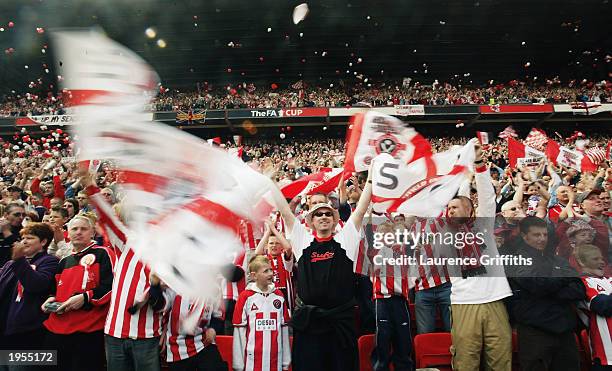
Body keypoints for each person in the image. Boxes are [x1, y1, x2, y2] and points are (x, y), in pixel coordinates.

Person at [272, 165, 371, 371]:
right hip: (310, 325)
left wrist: (371, 178)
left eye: (328, 213)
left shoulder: (345, 240)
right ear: (312, 221)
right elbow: (284, 209)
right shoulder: (303, 240)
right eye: (319, 214)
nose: (324, 216)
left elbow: (361, 209)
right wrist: (270, 182)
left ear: (335, 221)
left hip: (340, 324)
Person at [445, 142, 513, 371]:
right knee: (466, 361)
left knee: (500, 360)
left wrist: (478, 164)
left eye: (455, 207)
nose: (450, 211)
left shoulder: (483, 226)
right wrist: (461, 178)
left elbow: (486, 197)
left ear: (470, 210)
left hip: (495, 298)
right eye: (449, 208)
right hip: (464, 302)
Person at [507, 216, 586, 371]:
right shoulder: (517, 261)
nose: (542, 239)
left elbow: (579, 289)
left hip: (565, 333)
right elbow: (537, 285)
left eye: (545, 234)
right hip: (535, 333)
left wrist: (550, 287)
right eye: (537, 235)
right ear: (525, 236)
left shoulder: (559, 261)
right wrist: (563, 280)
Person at [42, 215, 114, 371]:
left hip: (88, 331)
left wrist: (85, 297)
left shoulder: (104, 253)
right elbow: (55, 290)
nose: (79, 232)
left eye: (84, 229)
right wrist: (50, 300)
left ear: (92, 233)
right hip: (55, 330)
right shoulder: (63, 261)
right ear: (68, 233)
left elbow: (111, 287)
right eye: (74, 229)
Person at [0, 223, 58, 364]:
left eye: (30, 238)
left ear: (43, 242)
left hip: (29, 334)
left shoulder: (50, 261)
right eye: (23, 238)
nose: (24, 241)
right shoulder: (10, 264)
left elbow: (36, 285)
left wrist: (19, 260)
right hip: (5, 331)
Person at [232, 255, 291, 371]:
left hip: (275, 359)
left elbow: (284, 330)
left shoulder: (279, 296)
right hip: (252, 360)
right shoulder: (245, 297)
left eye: (271, 270)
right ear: (254, 276)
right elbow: (239, 332)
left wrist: (286, 362)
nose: (270, 274)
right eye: (265, 271)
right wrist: (238, 365)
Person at [575, 244, 611, 371]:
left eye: (602, 259)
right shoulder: (582, 282)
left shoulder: (610, 279)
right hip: (606, 356)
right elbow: (603, 305)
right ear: (581, 262)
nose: (601, 262)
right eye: (595, 259)